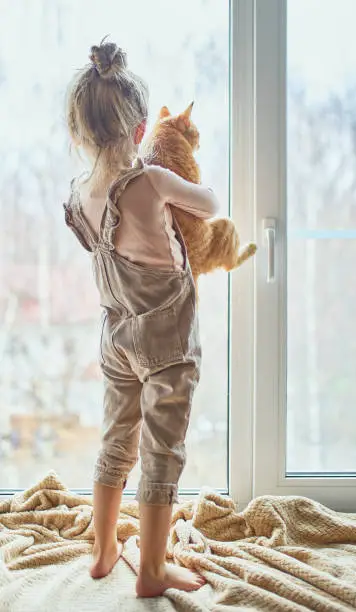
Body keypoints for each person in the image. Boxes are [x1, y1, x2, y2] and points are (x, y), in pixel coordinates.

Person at [64, 39, 219, 597]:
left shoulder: (80, 196)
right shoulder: (150, 182)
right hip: (165, 339)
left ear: (81, 134)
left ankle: (104, 551)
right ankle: (152, 571)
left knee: (116, 439)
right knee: (162, 449)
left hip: (116, 335)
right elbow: (210, 204)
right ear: (137, 134)